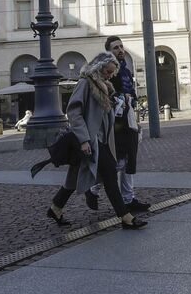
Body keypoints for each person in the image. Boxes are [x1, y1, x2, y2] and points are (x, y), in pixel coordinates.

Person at [45, 52, 146, 230]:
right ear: (99, 67)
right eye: (107, 71)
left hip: (102, 140)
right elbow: (74, 112)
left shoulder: (105, 86)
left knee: (76, 175)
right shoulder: (85, 83)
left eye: (112, 73)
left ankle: (55, 208)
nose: (109, 75)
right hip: (91, 139)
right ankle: (125, 216)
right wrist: (84, 140)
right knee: (109, 174)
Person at [89, 36, 150, 214]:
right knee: (119, 162)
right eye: (116, 48)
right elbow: (105, 96)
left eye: (121, 46)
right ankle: (93, 188)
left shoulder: (126, 71)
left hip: (128, 121)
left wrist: (131, 101)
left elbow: (131, 93)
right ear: (109, 52)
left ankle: (128, 198)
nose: (121, 50)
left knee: (128, 161)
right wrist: (120, 98)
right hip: (115, 125)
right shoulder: (107, 73)